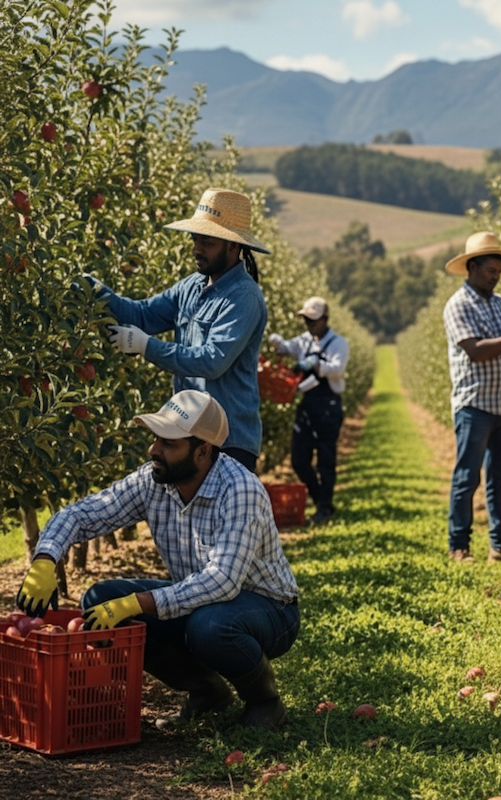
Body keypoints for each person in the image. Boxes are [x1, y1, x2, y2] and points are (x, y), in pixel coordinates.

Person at [16, 389, 300, 730]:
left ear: (202, 451)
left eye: (168, 443)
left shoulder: (240, 490)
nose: (154, 449)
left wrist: (137, 602)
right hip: (202, 600)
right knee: (99, 600)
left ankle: (265, 702)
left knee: (208, 627)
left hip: (269, 609)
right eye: (155, 439)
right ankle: (207, 691)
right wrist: (46, 558)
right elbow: (83, 514)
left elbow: (223, 580)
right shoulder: (155, 480)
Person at [96, 188, 270, 472]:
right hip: (187, 436)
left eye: (208, 242)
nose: (196, 249)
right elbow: (143, 315)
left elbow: (212, 361)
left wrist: (145, 346)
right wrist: (97, 292)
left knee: (222, 516)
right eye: (195, 239)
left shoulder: (243, 298)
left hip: (228, 443)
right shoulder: (192, 285)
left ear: (233, 246)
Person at [442, 231, 501, 564]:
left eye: (499, 271)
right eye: (490, 271)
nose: (496, 276)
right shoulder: (458, 306)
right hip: (475, 405)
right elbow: (475, 351)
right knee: (467, 477)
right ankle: (459, 545)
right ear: (472, 267)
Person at [268, 297, 349, 525]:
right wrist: (277, 343)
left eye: (313, 321)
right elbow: (288, 347)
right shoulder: (304, 340)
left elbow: (337, 368)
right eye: (306, 320)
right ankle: (320, 499)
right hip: (307, 403)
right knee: (299, 459)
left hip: (328, 404)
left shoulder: (338, 343)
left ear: (325, 319)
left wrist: (314, 364)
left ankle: (324, 507)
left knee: (326, 458)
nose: (310, 325)